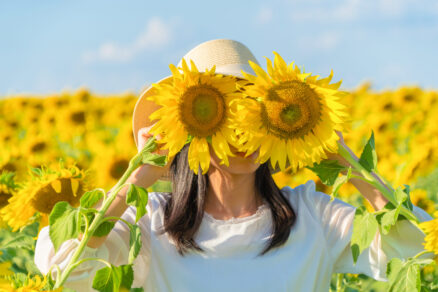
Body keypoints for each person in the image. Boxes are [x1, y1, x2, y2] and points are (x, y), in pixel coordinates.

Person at [34, 39, 433, 292]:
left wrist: (348, 163)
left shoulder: (313, 216)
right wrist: (135, 179)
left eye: (255, 112)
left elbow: (421, 250)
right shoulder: (151, 224)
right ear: (189, 128)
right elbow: (63, 273)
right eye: (222, 115)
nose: (241, 132)